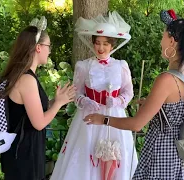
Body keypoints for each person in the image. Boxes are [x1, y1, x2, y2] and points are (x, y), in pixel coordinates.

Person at [84, 9, 184, 180]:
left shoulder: (166, 79)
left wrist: (102, 119)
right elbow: (181, 111)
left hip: (164, 157)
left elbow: (136, 124)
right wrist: (154, 106)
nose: (161, 42)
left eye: (163, 36)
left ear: (172, 41)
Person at [50, 11, 138, 180]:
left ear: (112, 45)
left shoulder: (121, 66)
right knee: (87, 156)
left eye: (105, 43)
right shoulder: (83, 66)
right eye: (97, 43)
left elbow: (128, 91)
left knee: (115, 157)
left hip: (114, 117)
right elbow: (76, 93)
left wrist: (118, 100)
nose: (101, 48)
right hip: (89, 118)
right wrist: (85, 101)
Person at [0, 16, 76, 180]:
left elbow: (27, 112)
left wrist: (55, 101)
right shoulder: (26, 79)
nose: (50, 50)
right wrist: (59, 104)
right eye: (49, 46)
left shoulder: (24, 75)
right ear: (39, 47)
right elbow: (39, 123)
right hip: (24, 157)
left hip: (22, 154)